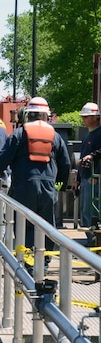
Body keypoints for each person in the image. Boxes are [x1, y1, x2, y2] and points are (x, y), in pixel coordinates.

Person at [0, 97, 71, 269]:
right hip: (48, 189)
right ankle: (43, 264)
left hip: (23, 187)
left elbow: (2, 158)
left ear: (27, 115)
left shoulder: (19, 133)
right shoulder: (56, 136)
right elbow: (66, 164)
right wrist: (58, 187)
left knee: (24, 224)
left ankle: (27, 264)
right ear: (47, 115)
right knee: (47, 225)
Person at [75, 102, 101, 245]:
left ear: (95, 117)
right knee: (86, 211)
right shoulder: (88, 136)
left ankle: (94, 241)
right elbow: (83, 157)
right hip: (86, 179)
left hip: (94, 179)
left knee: (93, 211)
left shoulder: (99, 133)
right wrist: (78, 179)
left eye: (87, 117)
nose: (84, 120)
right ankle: (91, 240)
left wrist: (92, 157)